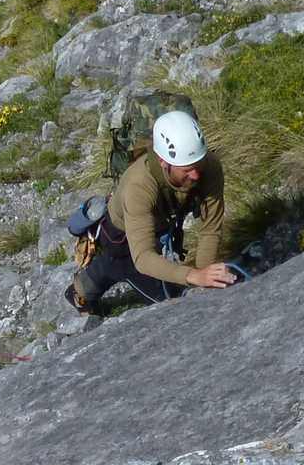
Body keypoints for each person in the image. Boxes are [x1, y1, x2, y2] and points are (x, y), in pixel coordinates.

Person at [66, 111, 237, 314]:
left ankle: (106, 269)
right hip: (121, 240)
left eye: (198, 165)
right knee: (172, 300)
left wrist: (206, 277)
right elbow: (143, 257)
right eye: (187, 170)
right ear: (163, 161)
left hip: (158, 224)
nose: (196, 175)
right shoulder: (138, 186)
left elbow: (211, 229)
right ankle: (82, 288)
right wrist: (193, 276)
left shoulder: (208, 166)